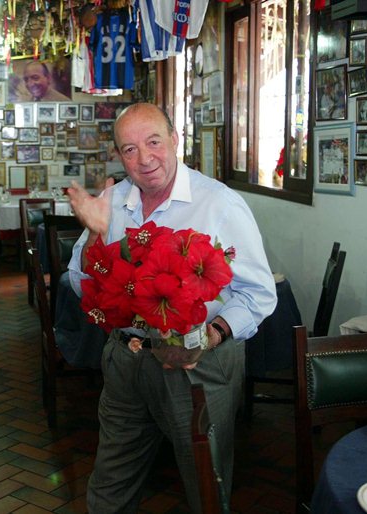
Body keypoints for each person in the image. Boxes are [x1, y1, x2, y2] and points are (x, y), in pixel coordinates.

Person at [66, 103, 277, 514]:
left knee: (206, 484)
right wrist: (95, 234)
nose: (144, 159)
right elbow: (80, 283)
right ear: (119, 155)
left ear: (176, 139)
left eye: (154, 142)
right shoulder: (113, 201)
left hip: (200, 364)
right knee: (110, 482)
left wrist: (209, 335)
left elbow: (258, 294)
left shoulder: (218, 203)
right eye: (129, 149)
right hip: (126, 360)